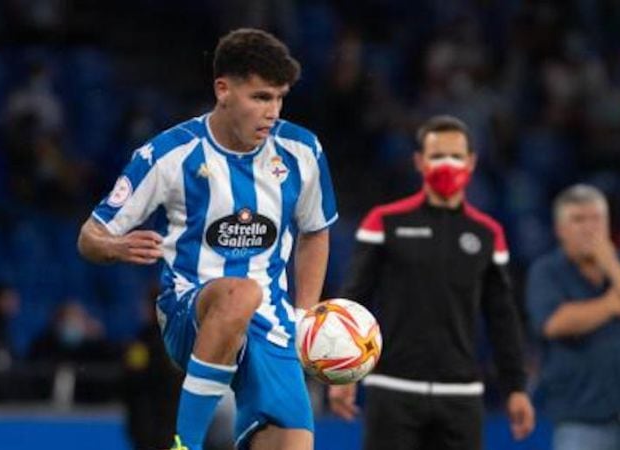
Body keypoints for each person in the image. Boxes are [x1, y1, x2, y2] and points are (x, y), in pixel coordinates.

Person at [77, 28, 337, 450]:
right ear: (223, 90)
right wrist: (113, 246)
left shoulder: (302, 150)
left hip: (271, 324)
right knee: (240, 294)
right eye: (260, 97)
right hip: (190, 311)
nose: (272, 112)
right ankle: (186, 443)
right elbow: (90, 236)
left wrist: (303, 318)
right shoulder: (169, 155)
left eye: (279, 98)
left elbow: (315, 231)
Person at [331, 115, 534, 450]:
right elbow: (355, 300)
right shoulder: (384, 222)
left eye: (455, 156)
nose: (447, 164)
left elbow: (502, 317)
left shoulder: (487, 234)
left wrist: (515, 388)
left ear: (471, 162)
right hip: (393, 389)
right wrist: (343, 373)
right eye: (438, 156)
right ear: (419, 161)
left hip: (461, 395)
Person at [525, 184, 620, 450]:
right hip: (581, 423)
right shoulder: (547, 272)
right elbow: (554, 323)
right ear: (560, 230)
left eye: (596, 219)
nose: (589, 228)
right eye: (578, 220)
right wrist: (613, 304)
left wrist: (611, 265)